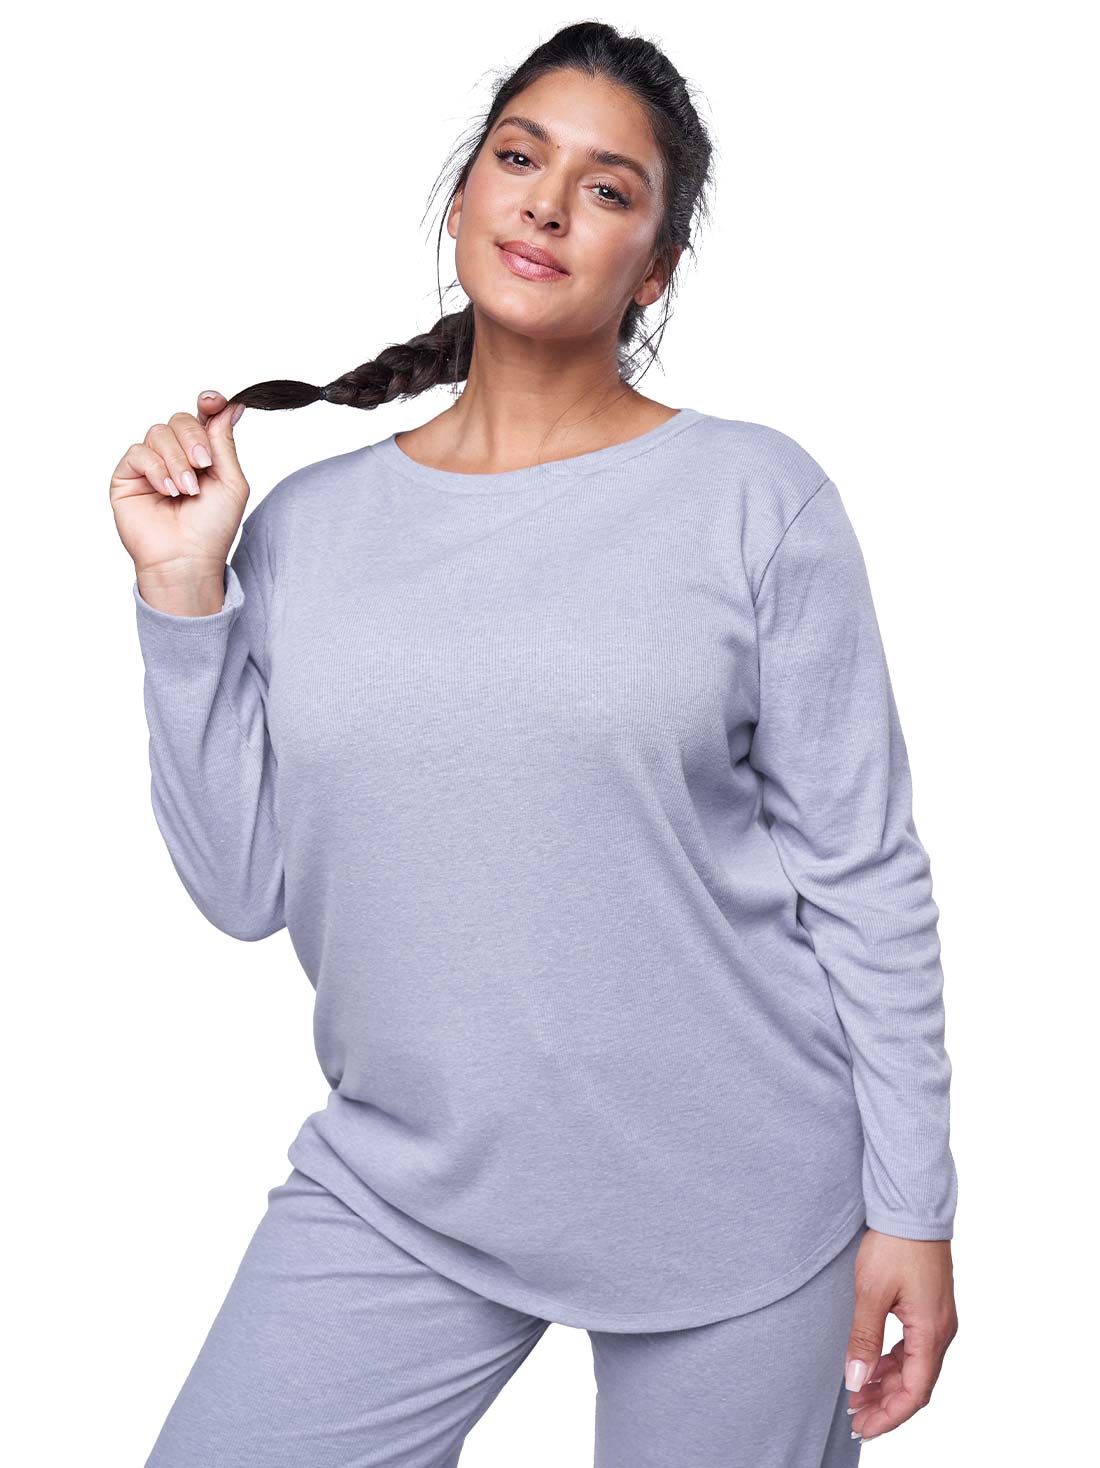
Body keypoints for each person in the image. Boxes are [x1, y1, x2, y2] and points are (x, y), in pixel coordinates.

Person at [111, 21, 959, 1468]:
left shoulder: (755, 499)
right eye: (519, 157)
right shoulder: (307, 531)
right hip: (409, 1184)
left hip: (741, 1196)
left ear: (656, 267)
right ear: (464, 198)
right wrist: (183, 594)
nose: (549, 204)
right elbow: (246, 889)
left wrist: (915, 1207)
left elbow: (864, 873)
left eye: (608, 188)